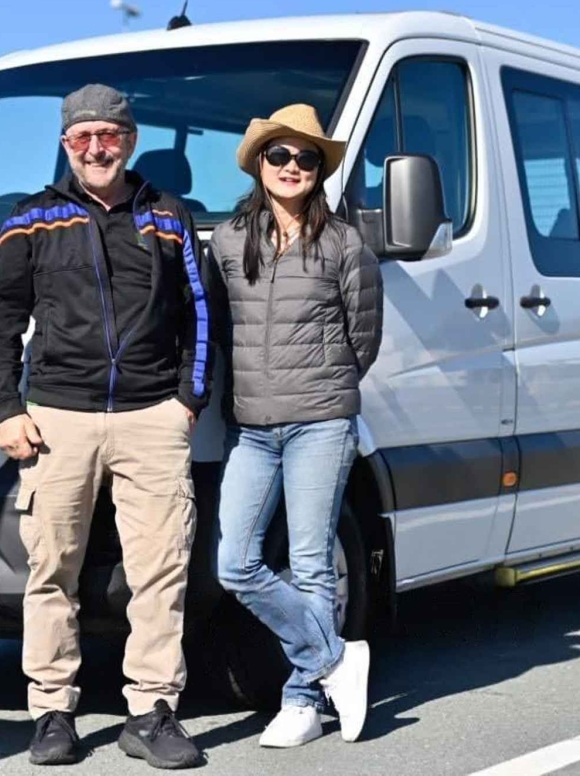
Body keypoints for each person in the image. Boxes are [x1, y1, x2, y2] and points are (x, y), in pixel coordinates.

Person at [0, 83, 211, 769]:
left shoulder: (169, 216)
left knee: (160, 570)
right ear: (65, 147)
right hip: (58, 416)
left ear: (129, 140)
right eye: (82, 138)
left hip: (152, 418)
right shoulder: (32, 219)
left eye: (108, 135)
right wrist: (7, 407)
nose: (96, 148)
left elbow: (200, 314)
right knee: (52, 568)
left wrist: (187, 399)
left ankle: (151, 711)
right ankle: (53, 711)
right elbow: (0, 322)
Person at [208, 103, 384, 748]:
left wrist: (323, 388)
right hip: (251, 427)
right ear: (259, 163)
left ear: (318, 170)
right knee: (236, 563)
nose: (291, 167)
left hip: (320, 423)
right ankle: (337, 658)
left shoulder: (344, 244)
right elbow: (217, 330)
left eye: (306, 158)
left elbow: (364, 337)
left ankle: (302, 700)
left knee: (311, 565)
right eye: (279, 155)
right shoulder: (228, 242)